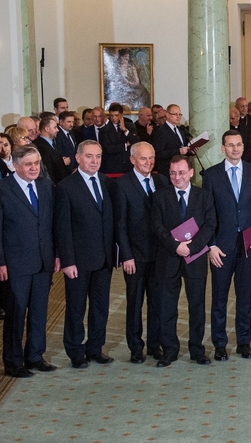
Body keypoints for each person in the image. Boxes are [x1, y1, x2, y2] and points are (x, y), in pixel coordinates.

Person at [0, 145, 57, 377]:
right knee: (15, 315)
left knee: (39, 312)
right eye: (28, 164)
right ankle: (13, 362)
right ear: (15, 166)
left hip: (43, 261)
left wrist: (56, 255)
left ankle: (35, 356)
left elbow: (51, 224)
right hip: (15, 264)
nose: (34, 168)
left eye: (36, 163)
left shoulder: (46, 186)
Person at [204, 131, 251, 361]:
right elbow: (207, 213)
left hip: (248, 245)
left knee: (245, 298)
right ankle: (220, 344)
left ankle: (244, 343)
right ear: (223, 148)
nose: (235, 149)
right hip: (221, 247)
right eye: (230, 145)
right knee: (219, 298)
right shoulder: (211, 175)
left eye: (239, 144)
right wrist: (211, 245)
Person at [54, 140, 116, 369]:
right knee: (76, 308)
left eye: (98, 156)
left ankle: (95, 348)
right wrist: (67, 260)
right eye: (89, 156)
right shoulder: (65, 187)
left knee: (100, 307)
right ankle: (75, 351)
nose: (94, 161)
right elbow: (62, 228)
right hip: (78, 261)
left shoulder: (107, 183)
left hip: (104, 258)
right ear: (78, 158)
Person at [150, 155, 216, 367]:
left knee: (197, 306)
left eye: (181, 172)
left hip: (195, 258)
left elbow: (210, 225)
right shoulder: (160, 196)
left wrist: (191, 248)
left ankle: (197, 350)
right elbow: (157, 226)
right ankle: (169, 350)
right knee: (167, 306)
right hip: (168, 257)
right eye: (172, 173)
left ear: (191, 172)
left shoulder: (204, 196)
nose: (176, 177)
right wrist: (175, 246)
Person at [113, 141, 167, 364]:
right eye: (143, 158)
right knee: (135, 303)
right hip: (135, 256)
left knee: (157, 302)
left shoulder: (162, 181)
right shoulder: (122, 185)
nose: (148, 162)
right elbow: (120, 224)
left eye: (151, 158)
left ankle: (155, 345)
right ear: (133, 160)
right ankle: (136, 347)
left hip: (160, 254)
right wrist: (126, 255)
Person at [151, 104, 192, 177]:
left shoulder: (180, 130)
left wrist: (191, 151)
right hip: (168, 171)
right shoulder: (161, 131)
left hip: (182, 169)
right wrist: (178, 151)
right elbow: (158, 153)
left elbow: (183, 148)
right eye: (175, 114)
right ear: (167, 115)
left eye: (180, 114)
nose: (178, 116)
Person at [99, 103, 140, 174]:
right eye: (111, 115)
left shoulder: (130, 126)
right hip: (113, 166)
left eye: (116, 115)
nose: (114, 118)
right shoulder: (104, 130)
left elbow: (136, 142)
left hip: (129, 164)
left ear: (121, 115)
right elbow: (108, 148)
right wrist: (125, 145)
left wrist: (125, 130)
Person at [33, 116, 67, 184]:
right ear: (47, 129)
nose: (57, 130)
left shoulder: (53, 143)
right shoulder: (41, 146)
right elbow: (48, 169)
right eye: (55, 127)